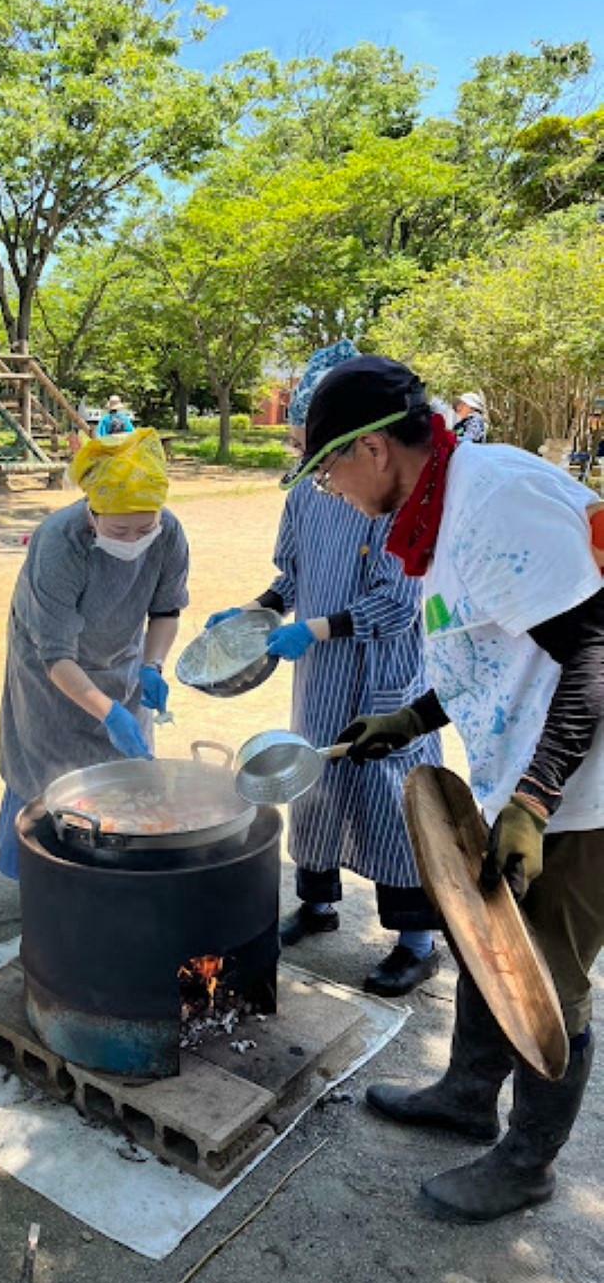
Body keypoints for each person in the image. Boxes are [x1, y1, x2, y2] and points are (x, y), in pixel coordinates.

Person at [282, 353, 603, 1222]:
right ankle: (467, 1094)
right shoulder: (437, 505)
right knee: (482, 930)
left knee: (546, 979)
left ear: (376, 450)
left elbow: (596, 652)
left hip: (589, 785)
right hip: (531, 765)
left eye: (330, 470)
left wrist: (535, 801)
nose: (331, 492)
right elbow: (490, 643)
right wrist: (413, 719)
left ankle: (527, 1164)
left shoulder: (496, 499)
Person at [206, 342, 442, 997]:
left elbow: (398, 602)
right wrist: (253, 614)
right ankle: (316, 902)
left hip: (387, 669)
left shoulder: (401, 492)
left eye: (322, 449)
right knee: (310, 780)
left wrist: (309, 629)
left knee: (393, 800)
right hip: (319, 673)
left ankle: (416, 942)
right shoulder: (308, 496)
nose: (317, 465)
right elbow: (292, 575)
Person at [0, 428, 189, 879]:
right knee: (48, 771)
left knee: (128, 773)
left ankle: (113, 873)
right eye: (119, 529)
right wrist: (108, 712)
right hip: (51, 669)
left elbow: (166, 610)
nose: (134, 538)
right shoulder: (60, 542)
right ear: (92, 512)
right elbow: (56, 654)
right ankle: (39, 878)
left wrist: (152, 665)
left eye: (145, 527)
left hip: (123, 658)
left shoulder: (169, 533)